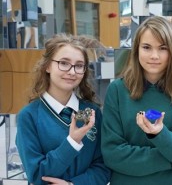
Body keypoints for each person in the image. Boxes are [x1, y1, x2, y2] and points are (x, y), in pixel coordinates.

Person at [101, 16, 172, 185]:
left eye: (162, 48)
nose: (154, 56)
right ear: (136, 50)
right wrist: (169, 157)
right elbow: (112, 154)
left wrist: (159, 134)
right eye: (147, 47)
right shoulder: (117, 90)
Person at [16, 34, 111, 185]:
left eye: (79, 65)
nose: (72, 72)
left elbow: (104, 168)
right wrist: (72, 142)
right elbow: (37, 175)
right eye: (64, 63)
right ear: (47, 66)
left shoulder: (93, 112)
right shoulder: (29, 116)